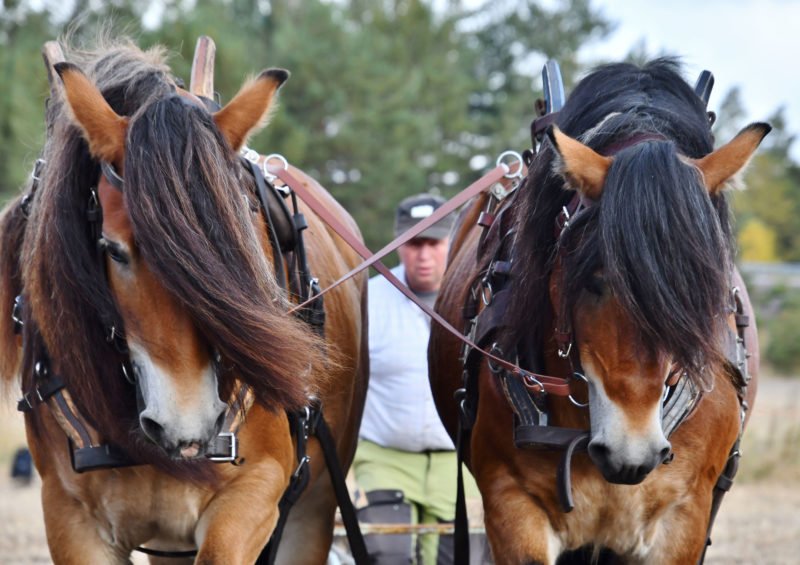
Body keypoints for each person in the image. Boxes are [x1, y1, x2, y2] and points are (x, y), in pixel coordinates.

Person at [354, 193, 480, 565]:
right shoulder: (368, 300)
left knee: (459, 559)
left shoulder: (478, 302)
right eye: (414, 244)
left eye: (433, 243)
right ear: (399, 244)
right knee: (386, 556)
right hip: (384, 458)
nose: (423, 256)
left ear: (453, 241)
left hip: (457, 462)